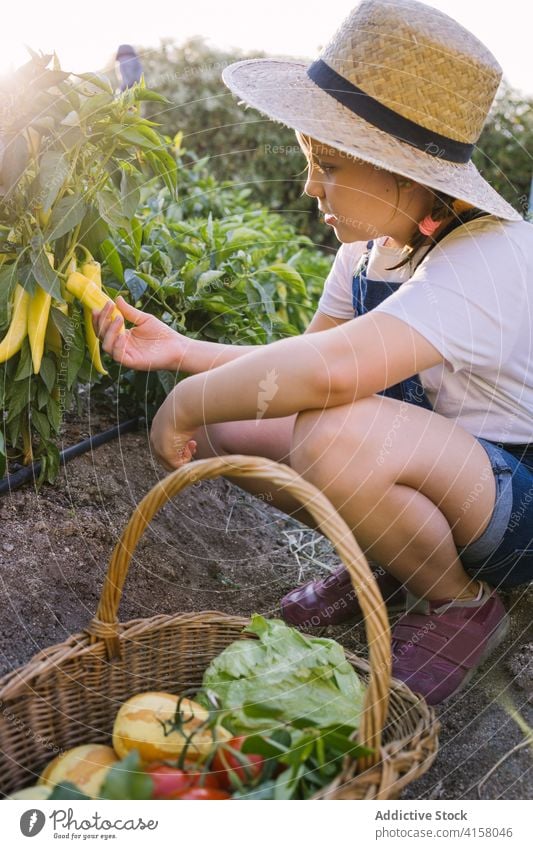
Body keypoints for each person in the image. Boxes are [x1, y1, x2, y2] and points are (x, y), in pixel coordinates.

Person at [93, 0, 533, 706]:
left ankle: (459, 602)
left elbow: (327, 374)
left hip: (513, 508)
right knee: (224, 428)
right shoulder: (367, 250)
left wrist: (183, 401)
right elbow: (296, 360)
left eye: (325, 164)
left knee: (330, 434)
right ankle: (385, 561)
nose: (308, 187)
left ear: (402, 167)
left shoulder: (489, 257)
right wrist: (182, 354)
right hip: (430, 468)